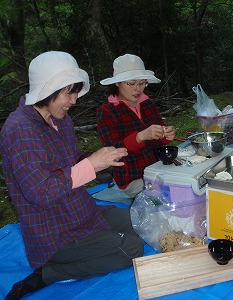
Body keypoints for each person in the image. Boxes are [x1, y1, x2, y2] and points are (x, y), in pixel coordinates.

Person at [0, 51, 144, 300]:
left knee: (141, 220)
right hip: (52, 230)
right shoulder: (20, 130)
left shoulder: (60, 119)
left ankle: (82, 250)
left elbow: (71, 161)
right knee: (133, 248)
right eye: (69, 92)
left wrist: (100, 157)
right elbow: (40, 192)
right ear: (47, 89)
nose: (74, 100)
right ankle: (50, 273)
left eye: (76, 91)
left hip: (79, 210)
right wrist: (90, 165)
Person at [97, 54, 175, 200]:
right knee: (170, 193)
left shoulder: (148, 104)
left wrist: (166, 135)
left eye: (142, 83)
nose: (137, 89)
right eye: (131, 83)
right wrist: (140, 137)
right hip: (132, 179)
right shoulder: (107, 112)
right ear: (118, 83)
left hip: (159, 168)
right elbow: (112, 151)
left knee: (189, 182)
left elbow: (160, 139)